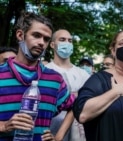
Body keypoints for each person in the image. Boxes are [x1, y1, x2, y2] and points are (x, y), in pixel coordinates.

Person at [0, 11, 74, 141]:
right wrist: (3, 126)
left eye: (46, 39)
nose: (41, 43)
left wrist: (58, 137)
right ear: (20, 35)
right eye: (36, 35)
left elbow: (74, 106)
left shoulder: (55, 79)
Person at [46, 29, 90, 141]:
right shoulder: (46, 71)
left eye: (70, 40)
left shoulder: (83, 74)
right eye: (62, 40)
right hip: (49, 128)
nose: (67, 43)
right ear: (52, 44)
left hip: (79, 131)